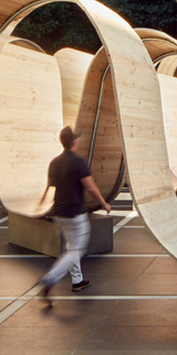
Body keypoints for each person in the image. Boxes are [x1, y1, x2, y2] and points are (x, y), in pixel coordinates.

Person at [37, 125, 110, 307]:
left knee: (71, 247)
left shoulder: (54, 162)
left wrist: (41, 208)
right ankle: (50, 279)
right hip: (75, 214)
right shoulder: (78, 162)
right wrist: (103, 203)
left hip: (59, 214)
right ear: (74, 141)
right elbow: (90, 187)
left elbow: (48, 187)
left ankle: (77, 281)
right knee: (76, 250)